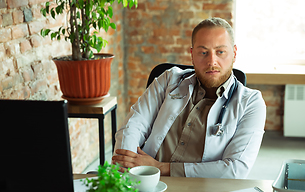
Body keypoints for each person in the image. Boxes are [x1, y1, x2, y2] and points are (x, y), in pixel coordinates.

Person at [111, 17, 266, 178]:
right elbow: (134, 124)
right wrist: (126, 167)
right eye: (203, 52)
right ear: (192, 55)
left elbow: (236, 169)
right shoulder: (169, 79)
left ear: (234, 53)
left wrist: (161, 167)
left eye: (220, 52)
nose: (212, 61)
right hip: (148, 179)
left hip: (202, 189)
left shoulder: (251, 103)